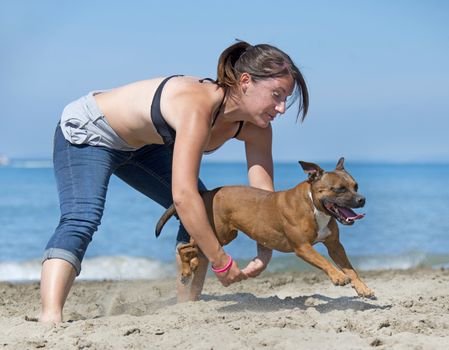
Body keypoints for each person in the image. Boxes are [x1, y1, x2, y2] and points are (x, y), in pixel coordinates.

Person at [40, 40, 309, 323]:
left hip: (144, 146)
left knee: (203, 210)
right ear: (245, 81)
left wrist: (265, 249)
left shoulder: (257, 129)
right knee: (82, 217)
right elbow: (183, 194)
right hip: (92, 132)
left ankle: (186, 306)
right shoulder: (198, 105)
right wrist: (220, 260)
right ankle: (50, 318)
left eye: (285, 99)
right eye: (276, 95)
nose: (281, 108)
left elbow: (263, 200)